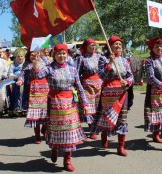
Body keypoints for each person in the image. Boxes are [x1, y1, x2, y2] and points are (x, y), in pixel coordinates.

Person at [27, 43, 88, 172]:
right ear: (54, 55)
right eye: (59, 53)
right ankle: (54, 148)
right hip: (55, 104)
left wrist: (85, 104)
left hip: (70, 105)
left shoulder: (72, 69)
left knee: (70, 132)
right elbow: (37, 75)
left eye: (64, 53)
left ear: (67, 54)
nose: (61, 55)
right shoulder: (50, 68)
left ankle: (67, 160)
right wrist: (35, 63)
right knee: (55, 131)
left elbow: (80, 88)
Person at [91, 36, 134, 156]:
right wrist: (109, 63)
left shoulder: (125, 61)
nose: (118, 46)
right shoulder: (103, 59)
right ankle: (104, 134)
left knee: (122, 119)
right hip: (108, 94)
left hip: (122, 94)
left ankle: (121, 146)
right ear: (109, 46)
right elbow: (100, 75)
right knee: (107, 118)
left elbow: (131, 76)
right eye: (116, 44)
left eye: (120, 44)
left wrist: (128, 82)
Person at [17, 50, 51, 144]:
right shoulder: (27, 63)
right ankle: (37, 136)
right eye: (32, 54)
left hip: (46, 89)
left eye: (36, 53)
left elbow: (53, 69)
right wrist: (20, 81)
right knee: (35, 113)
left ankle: (44, 129)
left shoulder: (45, 61)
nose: (34, 55)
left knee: (46, 112)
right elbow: (22, 75)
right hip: (33, 90)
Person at [76, 38, 103, 140]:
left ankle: (96, 127)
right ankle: (91, 129)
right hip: (87, 86)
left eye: (94, 45)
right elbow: (77, 73)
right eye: (91, 45)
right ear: (86, 47)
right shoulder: (81, 58)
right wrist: (77, 86)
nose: (93, 47)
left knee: (97, 108)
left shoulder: (99, 57)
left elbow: (104, 70)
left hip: (99, 85)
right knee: (89, 108)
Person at [8, 48, 27, 117]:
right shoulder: (12, 65)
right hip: (15, 81)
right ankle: (15, 108)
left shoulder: (26, 64)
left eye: (21, 56)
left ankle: (23, 108)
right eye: (18, 56)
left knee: (24, 94)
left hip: (24, 81)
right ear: (16, 57)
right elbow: (10, 73)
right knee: (15, 94)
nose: (20, 58)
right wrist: (16, 76)